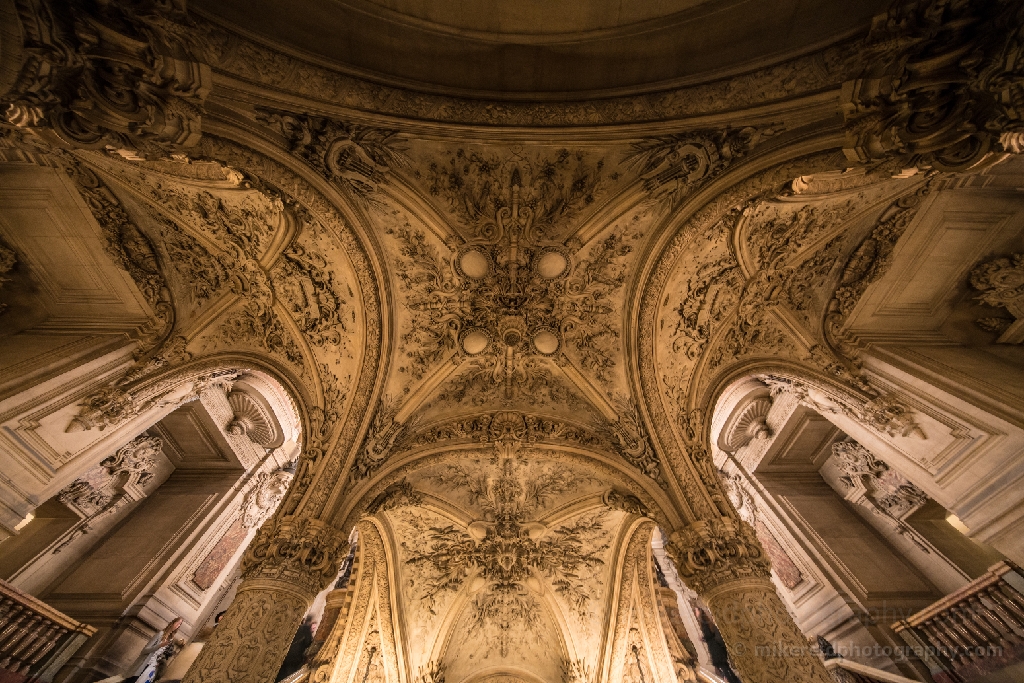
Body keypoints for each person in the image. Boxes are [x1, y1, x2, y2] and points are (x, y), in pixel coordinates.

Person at [123, 618, 183, 683]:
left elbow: (160, 654)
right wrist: (159, 646)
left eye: (180, 624)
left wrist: (158, 661)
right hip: (143, 664)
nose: (178, 625)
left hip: (152, 667)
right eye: (177, 623)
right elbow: (144, 651)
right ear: (172, 623)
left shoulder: (170, 639)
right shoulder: (160, 634)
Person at [275, 615, 314, 681]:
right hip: (294, 659)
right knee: (286, 678)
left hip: (283, 656)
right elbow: (308, 643)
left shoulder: (294, 628)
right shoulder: (306, 629)